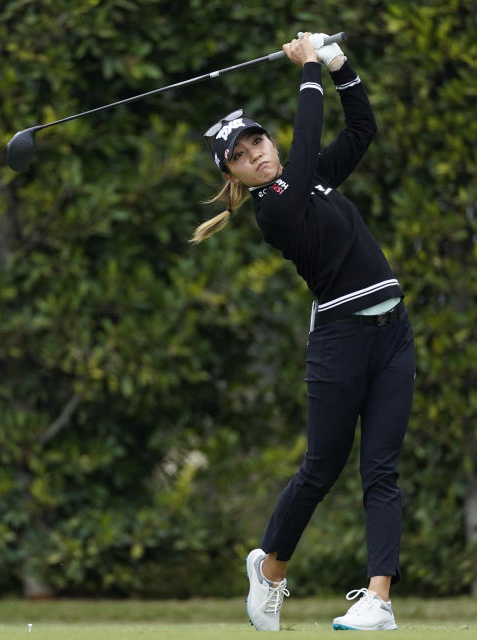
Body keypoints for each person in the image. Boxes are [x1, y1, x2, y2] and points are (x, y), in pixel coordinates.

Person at [192, 33, 415, 631]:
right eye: (242, 155)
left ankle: (379, 601)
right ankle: (269, 572)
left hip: (393, 331)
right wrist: (310, 68)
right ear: (235, 175)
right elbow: (310, 138)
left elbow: (362, 131)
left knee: (382, 470)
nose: (257, 154)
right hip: (340, 341)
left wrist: (341, 67)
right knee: (321, 467)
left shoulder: (309, 177)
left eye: (257, 140)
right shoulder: (275, 208)